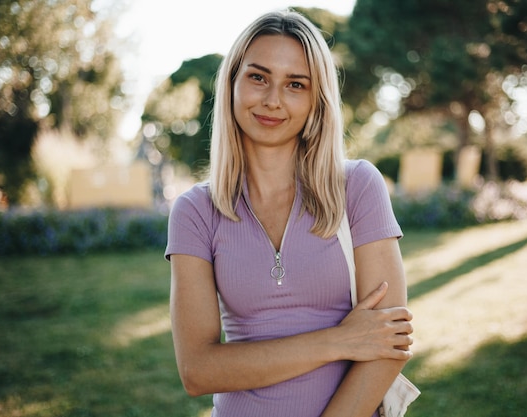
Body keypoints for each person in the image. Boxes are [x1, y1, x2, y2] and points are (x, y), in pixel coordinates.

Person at [166, 9, 413, 417]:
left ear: (317, 99)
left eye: (295, 84)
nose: (272, 100)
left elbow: (389, 344)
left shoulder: (358, 187)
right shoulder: (195, 211)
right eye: (258, 77)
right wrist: (339, 341)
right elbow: (197, 370)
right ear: (232, 84)